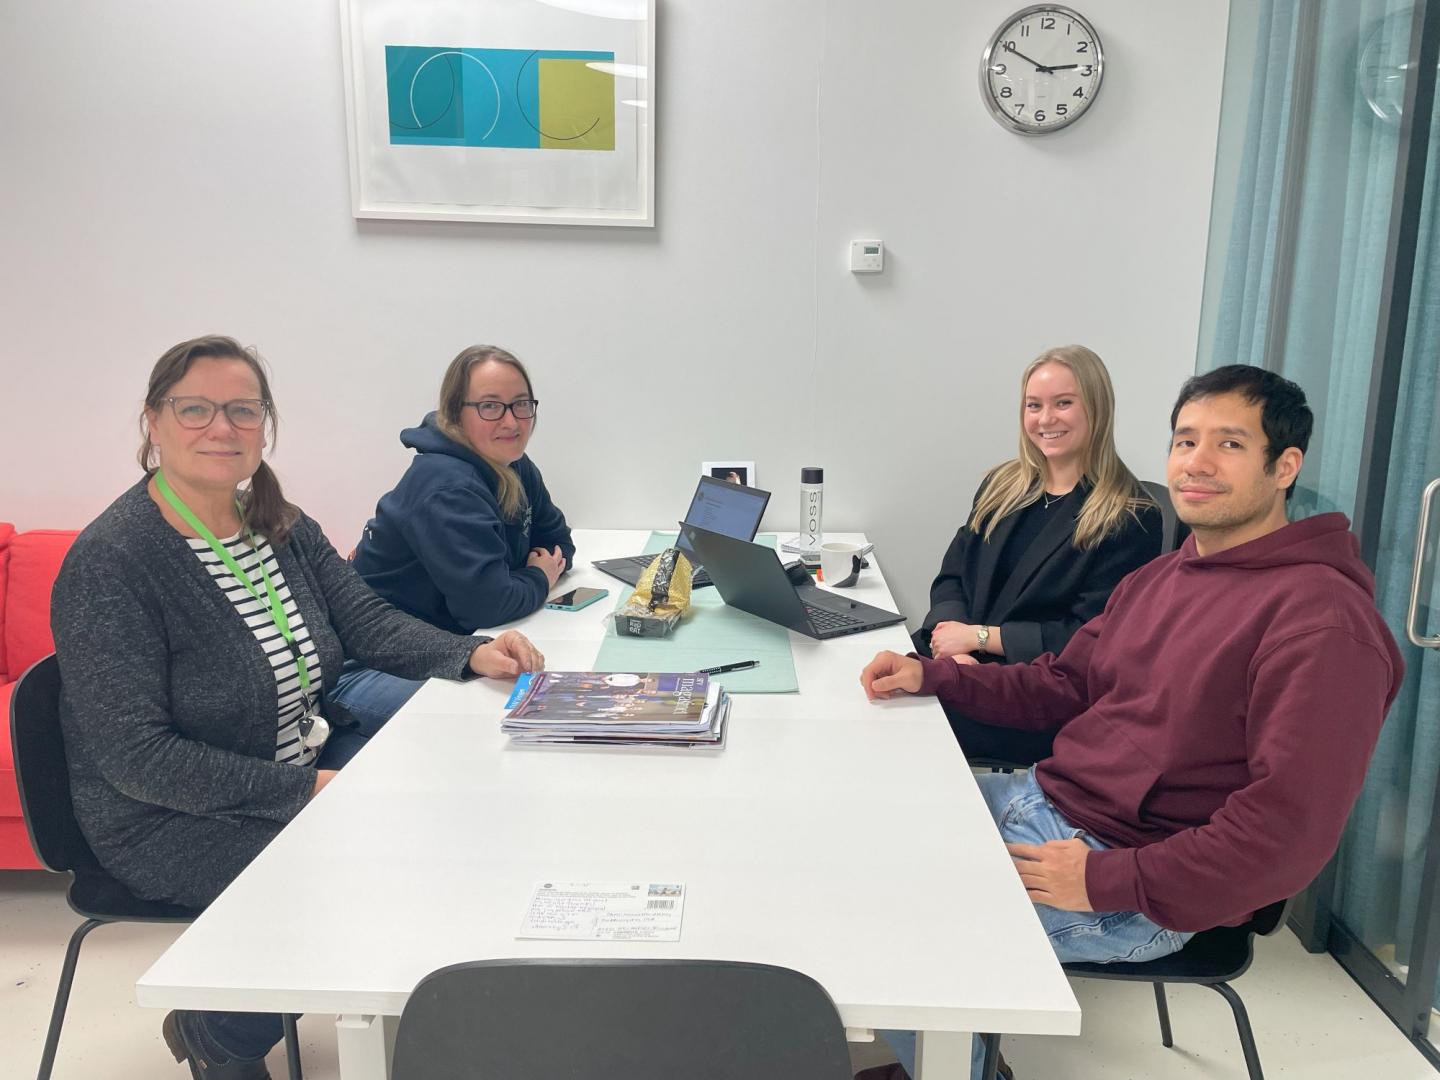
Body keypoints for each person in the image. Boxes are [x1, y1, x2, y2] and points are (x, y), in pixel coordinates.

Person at [858, 365, 1403, 1080]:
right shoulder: (1164, 576)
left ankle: (951, 1066)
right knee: (854, 839)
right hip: (1046, 803)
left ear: (1284, 467)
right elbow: (1065, 686)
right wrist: (935, 676)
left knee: (897, 929)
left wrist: (1107, 879)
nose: (1197, 463)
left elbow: (1285, 837)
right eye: (1185, 441)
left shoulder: (1323, 624)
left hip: (1137, 880)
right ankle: (948, 1061)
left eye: (1230, 444)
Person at [50, 335, 546, 1079]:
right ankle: (223, 1035)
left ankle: (406, 1016)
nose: (223, 428)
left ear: (265, 423)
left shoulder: (273, 520)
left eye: (243, 410)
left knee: (463, 798)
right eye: (195, 409)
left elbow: (365, 621)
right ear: (153, 421)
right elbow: (138, 760)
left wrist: (471, 653)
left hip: (297, 762)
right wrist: (307, 790)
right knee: (381, 868)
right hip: (171, 816)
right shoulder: (112, 563)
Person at [915, 345, 1163, 765]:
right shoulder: (1002, 485)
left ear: (1097, 408)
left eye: (1063, 403)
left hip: (1033, 696)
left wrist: (979, 639)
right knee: (867, 682)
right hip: (957, 660)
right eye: (1034, 405)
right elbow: (953, 575)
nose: (1045, 419)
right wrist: (951, 645)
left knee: (898, 720)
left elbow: (1089, 638)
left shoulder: (1130, 517)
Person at [340, 345, 574, 735]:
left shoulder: (512, 464)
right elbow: (488, 606)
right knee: (507, 718)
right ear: (455, 414)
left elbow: (558, 543)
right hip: (375, 666)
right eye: (490, 406)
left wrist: (519, 580)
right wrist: (538, 577)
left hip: (454, 645)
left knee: (547, 693)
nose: (511, 421)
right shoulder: (446, 486)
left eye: (521, 404)